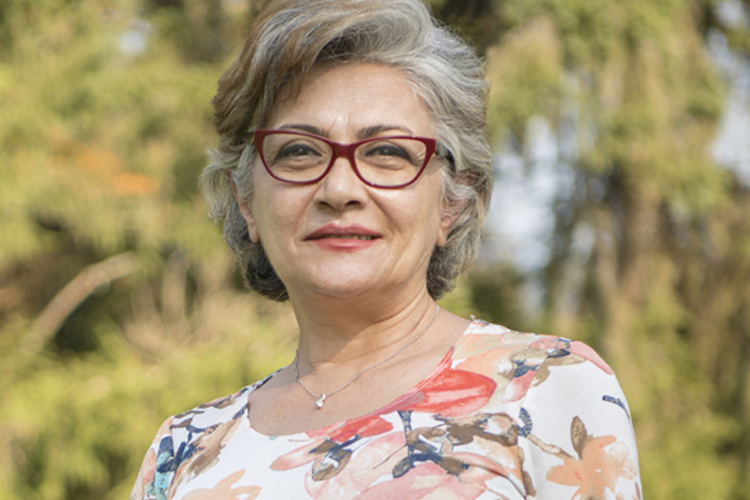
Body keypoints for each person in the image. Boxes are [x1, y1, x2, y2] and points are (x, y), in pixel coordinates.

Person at [129, 0, 642, 498]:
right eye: (300, 151)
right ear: (245, 199)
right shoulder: (185, 447)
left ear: (452, 199)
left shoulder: (547, 387)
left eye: (387, 153)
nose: (339, 190)